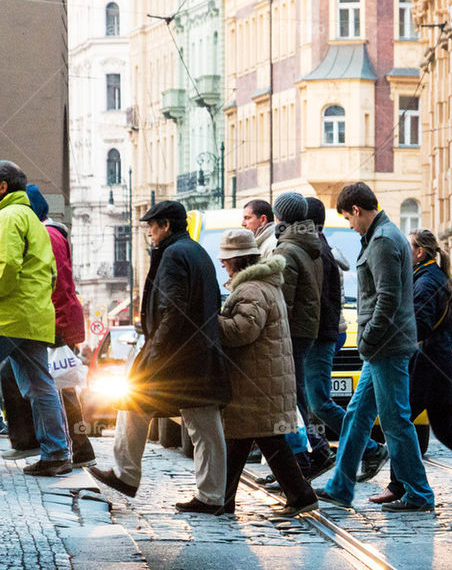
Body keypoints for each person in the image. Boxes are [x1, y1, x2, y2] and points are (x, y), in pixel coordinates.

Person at [90, 200, 231, 513]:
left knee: (133, 401)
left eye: (152, 227)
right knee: (204, 424)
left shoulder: (173, 254)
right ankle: (211, 496)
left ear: (165, 226)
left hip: (178, 356)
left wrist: (154, 355)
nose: (150, 233)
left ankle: (126, 476)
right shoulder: (196, 252)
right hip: (200, 354)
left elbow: (172, 310)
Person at [316, 182, 434, 513]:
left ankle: (420, 493)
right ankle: (340, 486)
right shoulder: (380, 235)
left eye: (348, 219)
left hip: (386, 345)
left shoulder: (383, 241)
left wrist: (367, 339)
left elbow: (388, 299)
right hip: (381, 346)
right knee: (356, 414)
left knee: (395, 419)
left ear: (357, 210)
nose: (350, 226)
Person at [370, 229, 452, 504]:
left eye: (408, 248)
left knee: (400, 421)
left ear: (419, 253)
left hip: (428, 363)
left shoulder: (426, 282)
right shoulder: (430, 276)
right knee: (444, 429)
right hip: (438, 361)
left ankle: (398, 486)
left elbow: (419, 325)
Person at [216, 229, 318, 517]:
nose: (223, 265)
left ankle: (300, 496)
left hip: (257, 379)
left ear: (236, 261)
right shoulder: (264, 285)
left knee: (259, 439)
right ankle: (224, 500)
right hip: (262, 377)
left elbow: (242, 331)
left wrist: (213, 319)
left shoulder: (251, 289)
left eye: (225, 260)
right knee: (245, 439)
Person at [5, 185, 96, 468]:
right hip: (45, 318)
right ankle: (61, 451)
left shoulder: (25, 225)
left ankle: (70, 448)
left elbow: (17, 270)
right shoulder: (49, 231)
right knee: (50, 384)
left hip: (30, 318)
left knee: (58, 384)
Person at [302, 197, 383, 476]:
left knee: (319, 403)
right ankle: (317, 452)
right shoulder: (322, 248)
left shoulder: (317, 251)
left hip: (319, 337)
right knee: (313, 402)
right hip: (324, 336)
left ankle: (370, 448)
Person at [0, 161, 71, 476]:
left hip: (8, 316)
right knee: (41, 386)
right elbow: (51, 273)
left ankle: (55, 452)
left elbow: (6, 266)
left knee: (39, 386)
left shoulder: (7, 216)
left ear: (2, 187)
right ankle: (56, 453)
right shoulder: (33, 219)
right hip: (34, 317)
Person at [271, 192, 336, 479]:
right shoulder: (308, 245)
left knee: (291, 398)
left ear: (280, 216)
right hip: (305, 331)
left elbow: (282, 301)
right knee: (296, 396)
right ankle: (315, 452)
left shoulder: (288, 250)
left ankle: (309, 456)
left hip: (292, 333)